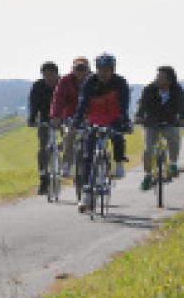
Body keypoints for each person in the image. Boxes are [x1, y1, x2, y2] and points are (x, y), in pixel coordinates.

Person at [72, 53, 131, 211]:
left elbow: (124, 104)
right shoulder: (89, 82)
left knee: (118, 135)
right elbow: (83, 102)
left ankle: (118, 162)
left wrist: (125, 120)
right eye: (100, 69)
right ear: (96, 69)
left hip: (113, 117)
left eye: (107, 69)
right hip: (94, 119)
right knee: (87, 155)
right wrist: (77, 120)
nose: (103, 73)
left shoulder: (120, 82)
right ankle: (86, 193)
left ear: (112, 69)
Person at [134, 65, 184, 190]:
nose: (157, 79)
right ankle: (148, 175)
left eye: (160, 77)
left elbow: (183, 105)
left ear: (169, 80)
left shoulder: (177, 90)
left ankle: (173, 163)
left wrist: (183, 118)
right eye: (157, 76)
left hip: (170, 122)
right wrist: (139, 116)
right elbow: (141, 104)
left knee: (174, 137)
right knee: (148, 149)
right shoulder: (149, 89)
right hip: (151, 123)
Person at [49, 56, 92, 177]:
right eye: (77, 69)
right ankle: (67, 164)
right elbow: (58, 98)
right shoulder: (65, 81)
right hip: (70, 115)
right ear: (73, 70)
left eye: (83, 69)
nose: (80, 72)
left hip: (90, 114)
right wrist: (56, 115)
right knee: (70, 135)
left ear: (88, 70)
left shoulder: (94, 79)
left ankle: (93, 164)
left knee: (92, 136)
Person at [28, 61, 60, 195]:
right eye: (46, 75)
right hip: (45, 119)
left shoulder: (62, 84)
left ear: (57, 74)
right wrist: (32, 118)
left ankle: (66, 165)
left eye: (51, 74)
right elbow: (34, 104)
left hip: (61, 117)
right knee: (43, 147)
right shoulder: (38, 86)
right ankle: (43, 179)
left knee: (69, 139)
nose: (49, 78)